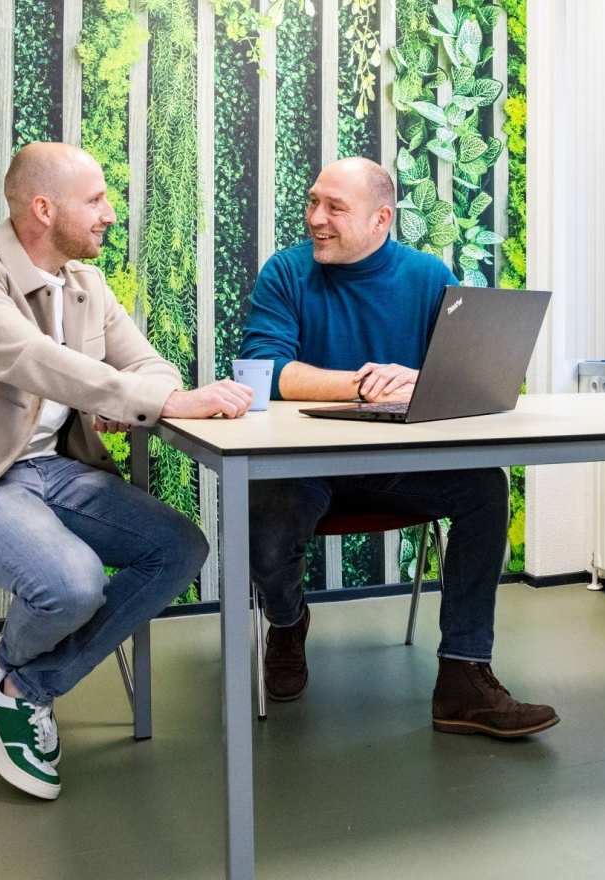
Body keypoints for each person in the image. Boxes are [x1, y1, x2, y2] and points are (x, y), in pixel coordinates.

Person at [0, 142, 252, 800]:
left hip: (52, 471)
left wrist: (135, 396)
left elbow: (150, 366)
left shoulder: (86, 286)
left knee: (178, 548)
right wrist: (141, 400)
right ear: (43, 209)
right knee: (73, 586)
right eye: (96, 199)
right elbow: (34, 361)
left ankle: (20, 684)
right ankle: (20, 686)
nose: (109, 213)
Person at [240, 156, 559, 738]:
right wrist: (363, 383)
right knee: (266, 513)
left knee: (485, 486)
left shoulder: (427, 274)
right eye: (313, 202)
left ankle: (464, 675)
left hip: (395, 467)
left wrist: (417, 378)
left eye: (334, 207)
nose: (315, 218)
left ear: (381, 218)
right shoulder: (285, 273)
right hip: (302, 467)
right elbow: (267, 372)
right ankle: (287, 623)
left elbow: (465, 376)